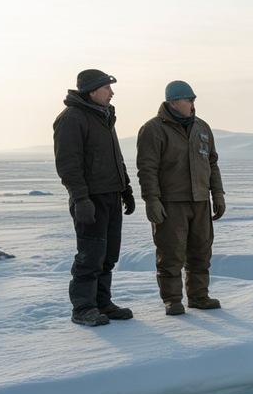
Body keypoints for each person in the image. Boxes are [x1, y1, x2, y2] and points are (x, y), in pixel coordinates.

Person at [53, 69, 135, 327]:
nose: (112, 93)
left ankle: (102, 303)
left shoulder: (104, 116)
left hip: (111, 194)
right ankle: (84, 308)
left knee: (109, 255)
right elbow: (68, 164)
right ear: (92, 91)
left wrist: (126, 188)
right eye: (107, 88)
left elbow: (115, 156)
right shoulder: (72, 119)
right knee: (90, 255)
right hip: (90, 198)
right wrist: (80, 199)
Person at [136, 80, 225, 315]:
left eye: (194, 100)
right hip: (171, 203)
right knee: (171, 253)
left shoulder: (202, 128)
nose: (193, 104)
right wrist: (152, 200)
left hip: (200, 200)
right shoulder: (153, 129)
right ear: (173, 103)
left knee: (201, 251)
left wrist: (217, 193)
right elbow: (147, 168)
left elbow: (212, 163)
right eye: (189, 100)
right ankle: (172, 299)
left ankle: (199, 296)